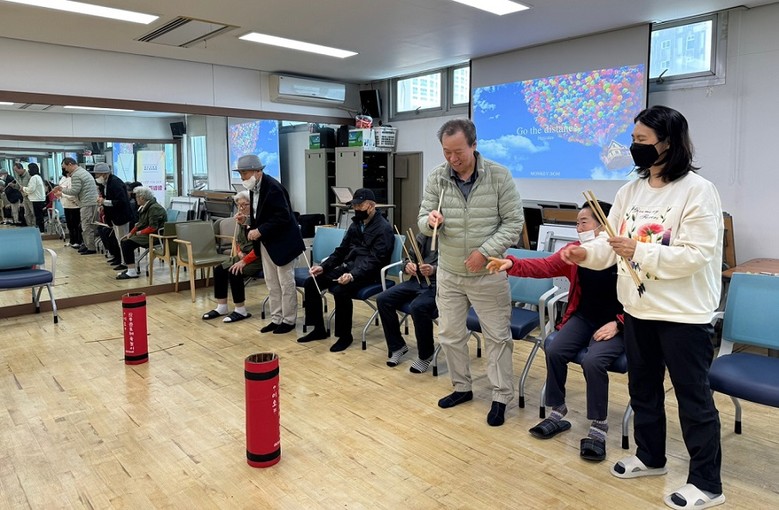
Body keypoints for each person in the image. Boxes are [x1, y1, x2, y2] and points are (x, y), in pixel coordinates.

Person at [559, 105, 725, 509]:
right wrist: (585, 254)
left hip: (683, 314)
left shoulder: (698, 191)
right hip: (638, 309)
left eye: (642, 140)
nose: (634, 147)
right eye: (633, 139)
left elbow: (697, 254)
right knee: (643, 389)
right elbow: (610, 244)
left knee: (693, 398)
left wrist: (640, 250)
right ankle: (651, 457)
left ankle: (707, 483)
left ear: (668, 143)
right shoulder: (629, 190)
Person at [487, 201, 623, 461]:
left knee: (593, 361)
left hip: (617, 324)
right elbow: (545, 266)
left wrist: (619, 323)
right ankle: (558, 411)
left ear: (604, 225)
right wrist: (512, 264)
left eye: (584, 222)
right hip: (584, 317)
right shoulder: (576, 252)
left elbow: (643, 298)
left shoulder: (622, 254)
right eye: (577, 222)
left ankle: (599, 426)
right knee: (555, 348)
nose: (578, 227)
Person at [418, 118, 524, 427]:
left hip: (488, 273)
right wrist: (430, 222)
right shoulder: (437, 177)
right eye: (446, 152)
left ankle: (501, 396)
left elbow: (514, 223)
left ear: (474, 146)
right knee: (450, 335)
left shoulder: (498, 176)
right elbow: (422, 218)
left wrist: (485, 252)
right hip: (450, 273)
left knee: (497, 338)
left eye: (458, 152)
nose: (452, 159)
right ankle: (461, 387)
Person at [298, 188, 394, 352]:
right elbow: (341, 250)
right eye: (354, 206)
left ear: (371, 206)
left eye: (359, 206)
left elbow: (375, 260)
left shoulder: (383, 228)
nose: (356, 209)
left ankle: (344, 336)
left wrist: (352, 275)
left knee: (340, 290)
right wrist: (323, 267)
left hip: (370, 274)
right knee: (311, 283)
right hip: (350, 267)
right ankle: (318, 329)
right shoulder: (356, 224)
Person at [233, 154, 305, 333]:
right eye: (240, 174)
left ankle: (288, 320)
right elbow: (261, 216)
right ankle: (276, 318)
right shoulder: (254, 188)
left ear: (257, 171)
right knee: (272, 283)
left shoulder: (273, 188)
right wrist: (246, 221)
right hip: (266, 242)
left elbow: (283, 216)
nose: (242, 178)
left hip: (283, 243)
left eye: (244, 173)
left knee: (286, 283)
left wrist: (260, 230)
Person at [376, 231, 438, 373]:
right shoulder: (422, 235)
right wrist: (407, 266)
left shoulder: (452, 237)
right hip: (416, 281)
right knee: (383, 299)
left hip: (439, 284)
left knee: (417, 306)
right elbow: (407, 259)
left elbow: (455, 268)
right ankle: (397, 346)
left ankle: (426, 355)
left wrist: (433, 269)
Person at [202, 191, 264, 323]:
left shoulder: (258, 220)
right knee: (219, 270)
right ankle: (222, 307)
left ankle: (240, 310)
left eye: (245, 205)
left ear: (252, 204)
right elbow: (237, 240)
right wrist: (239, 253)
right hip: (243, 255)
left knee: (235, 271)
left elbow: (259, 248)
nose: (241, 208)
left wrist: (244, 260)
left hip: (258, 258)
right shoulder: (241, 220)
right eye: (239, 205)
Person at [116, 186, 166, 280]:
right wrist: (131, 233)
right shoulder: (146, 207)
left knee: (127, 244)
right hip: (149, 234)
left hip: (156, 236)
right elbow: (140, 223)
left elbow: (153, 227)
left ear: (142, 198)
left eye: (137, 197)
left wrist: (139, 233)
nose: (136, 199)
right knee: (124, 240)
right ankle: (130, 269)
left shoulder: (154, 208)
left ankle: (131, 272)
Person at [54, 157, 99, 255]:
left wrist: (61, 189)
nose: (65, 170)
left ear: (70, 164)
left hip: (87, 203)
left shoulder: (76, 174)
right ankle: (87, 245)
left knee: (86, 226)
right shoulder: (82, 172)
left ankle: (91, 248)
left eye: (65, 167)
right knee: (86, 226)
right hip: (90, 202)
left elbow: (74, 191)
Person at [94, 163, 132, 265]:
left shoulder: (115, 183)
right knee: (117, 240)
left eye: (97, 175)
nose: (96, 177)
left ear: (104, 174)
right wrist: (103, 204)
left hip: (121, 216)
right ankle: (119, 259)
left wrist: (104, 202)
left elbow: (121, 202)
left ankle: (125, 263)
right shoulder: (106, 183)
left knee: (123, 241)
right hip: (114, 216)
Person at [58, 165, 82, 248]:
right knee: (70, 225)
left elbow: (73, 194)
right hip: (65, 205)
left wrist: (62, 194)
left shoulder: (73, 179)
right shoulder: (63, 178)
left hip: (74, 206)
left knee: (75, 224)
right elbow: (61, 190)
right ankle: (72, 240)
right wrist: (58, 194)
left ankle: (78, 241)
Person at [22, 162, 47, 232]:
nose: (28, 171)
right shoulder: (38, 177)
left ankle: (40, 230)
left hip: (36, 199)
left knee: (38, 216)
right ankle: (40, 229)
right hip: (40, 199)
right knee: (39, 216)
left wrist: (23, 188)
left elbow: (31, 189)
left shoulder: (34, 178)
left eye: (29, 169)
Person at [12, 162, 33, 227]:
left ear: (21, 168)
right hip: (24, 197)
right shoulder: (18, 176)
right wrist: (13, 186)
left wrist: (24, 189)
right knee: (26, 214)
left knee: (33, 212)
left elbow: (32, 187)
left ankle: (35, 226)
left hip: (31, 197)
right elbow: (18, 186)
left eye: (16, 170)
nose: (16, 172)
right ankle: (29, 226)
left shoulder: (29, 175)